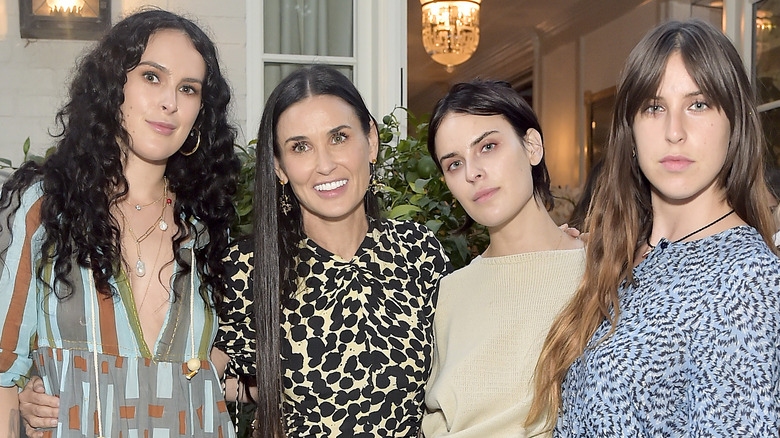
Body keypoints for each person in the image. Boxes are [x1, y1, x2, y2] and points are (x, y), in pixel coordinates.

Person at [527, 19, 780, 436]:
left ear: (734, 125)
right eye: (654, 107)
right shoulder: (619, 257)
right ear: (630, 131)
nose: (674, 131)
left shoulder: (747, 279)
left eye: (698, 104)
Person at [0, 9, 240, 437]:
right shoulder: (45, 206)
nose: (170, 101)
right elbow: (2, 372)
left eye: (188, 88)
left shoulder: (207, 226)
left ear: (200, 113)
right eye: (152, 76)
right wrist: (24, 395)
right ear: (112, 85)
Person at [213, 65, 451, 437]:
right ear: (278, 166)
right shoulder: (249, 268)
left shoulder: (417, 251)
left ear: (370, 140)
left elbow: (463, 366)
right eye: (300, 147)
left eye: (338, 137)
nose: (324, 165)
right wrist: (269, 395)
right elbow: (194, 374)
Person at [420, 80, 585, 437]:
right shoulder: (449, 293)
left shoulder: (598, 271)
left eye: (488, 146)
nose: (472, 173)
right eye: (453, 164)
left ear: (532, 146)